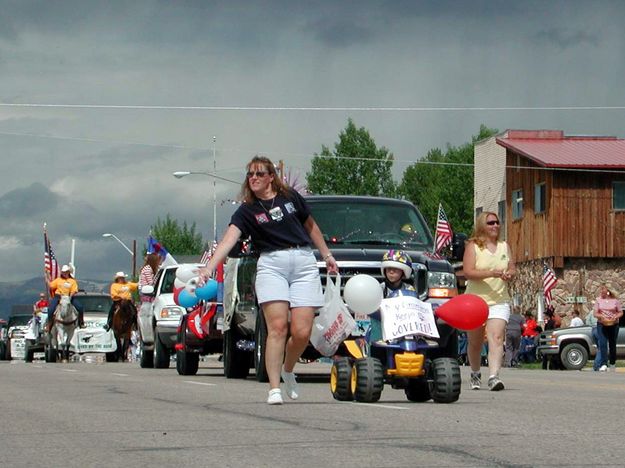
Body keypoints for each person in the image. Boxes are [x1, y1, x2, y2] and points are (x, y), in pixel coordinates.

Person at [199, 156, 338, 405]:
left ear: (271, 176)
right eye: (250, 174)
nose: (253, 178)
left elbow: (311, 226)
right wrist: (209, 268)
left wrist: (326, 254)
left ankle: (288, 369)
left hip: (303, 262)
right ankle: (274, 388)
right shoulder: (247, 211)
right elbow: (229, 239)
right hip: (271, 265)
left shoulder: (291, 198)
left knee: (302, 331)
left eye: (259, 174)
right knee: (277, 328)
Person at [463, 211, 515, 391]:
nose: (495, 226)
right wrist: (491, 273)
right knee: (475, 341)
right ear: (482, 226)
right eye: (491, 223)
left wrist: (509, 274)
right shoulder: (473, 246)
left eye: (497, 222)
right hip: (475, 301)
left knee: (497, 337)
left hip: (499, 300)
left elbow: (512, 266)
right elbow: (468, 272)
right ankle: (475, 373)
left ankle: (494, 377)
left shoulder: (504, 246)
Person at [367, 250, 418, 343]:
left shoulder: (409, 289)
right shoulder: (379, 288)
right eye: (388, 268)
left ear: (403, 272)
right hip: (382, 330)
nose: (391, 271)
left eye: (396, 269)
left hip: (403, 329)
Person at [593, 284, 623, 372]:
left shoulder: (615, 301)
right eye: (600, 289)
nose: (601, 291)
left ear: (608, 291)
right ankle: (603, 364)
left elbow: (620, 312)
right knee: (602, 343)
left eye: (603, 289)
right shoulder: (598, 300)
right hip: (602, 324)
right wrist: (601, 316)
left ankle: (612, 363)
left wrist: (616, 316)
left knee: (612, 344)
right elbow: (595, 313)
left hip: (613, 324)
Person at [46, 264, 84, 329]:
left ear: (68, 272)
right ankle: (50, 324)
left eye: (66, 272)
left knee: (80, 307)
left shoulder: (72, 281)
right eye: (63, 272)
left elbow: (74, 290)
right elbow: (51, 286)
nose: (64, 273)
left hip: (69, 296)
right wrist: (47, 277)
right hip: (58, 297)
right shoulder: (58, 280)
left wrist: (70, 297)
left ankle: (81, 322)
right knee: (51, 309)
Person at [585, 307, 604, 372]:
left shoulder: (592, 312)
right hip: (600, 329)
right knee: (602, 349)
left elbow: (587, 321)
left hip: (593, 330)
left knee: (599, 349)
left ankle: (600, 364)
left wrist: (593, 325)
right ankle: (596, 366)